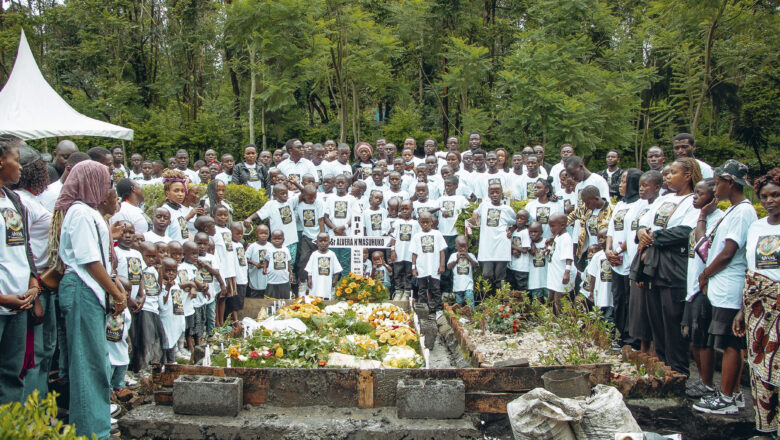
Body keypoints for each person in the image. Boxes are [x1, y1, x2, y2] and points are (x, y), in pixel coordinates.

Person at [57, 160, 125, 438]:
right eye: (106, 181)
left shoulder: (90, 212)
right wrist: (116, 291)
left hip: (91, 290)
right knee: (88, 362)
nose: (109, 187)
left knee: (97, 360)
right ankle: (91, 431)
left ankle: (96, 424)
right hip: (83, 288)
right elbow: (89, 261)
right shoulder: (80, 213)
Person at [693, 160, 756, 415]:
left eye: (718, 182)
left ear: (730, 183)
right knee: (726, 342)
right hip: (721, 287)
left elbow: (729, 252)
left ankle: (728, 397)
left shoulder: (743, 211)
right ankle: (734, 394)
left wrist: (706, 274)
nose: (715, 187)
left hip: (730, 286)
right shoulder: (733, 209)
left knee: (732, 344)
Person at [636, 157, 701, 377]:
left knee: (672, 320)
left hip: (673, 267)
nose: (668, 176)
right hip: (652, 266)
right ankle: (662, 367)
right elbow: (645, 221)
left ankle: (679, 370)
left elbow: (685, 232)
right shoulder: (664, 199)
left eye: (673, 172)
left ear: (688, 176)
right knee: (656, 321)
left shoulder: (694, 201)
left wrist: (653, 236)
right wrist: (641, 232)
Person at [733, 168, 780, 434]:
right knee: (759, 367)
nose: (769, 200)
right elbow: (750, 269)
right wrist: (742, 310)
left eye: (776, 195)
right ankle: (765, 426)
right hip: (756, 309)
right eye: (764, 196)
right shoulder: (756, 227)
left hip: (779, 306)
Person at [11, 144, 55, 398]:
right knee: (34, 353)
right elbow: (23, 248)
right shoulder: (22, 203)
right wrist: (35, 292)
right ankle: (31, 414)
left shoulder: (29, 199)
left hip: (44, 286)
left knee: (45, 350)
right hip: (33, 286)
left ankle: (41, 408)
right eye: (40, 165)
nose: (46, 170)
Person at [0, 136, 39, 406]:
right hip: (3, 302)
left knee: (11, 375)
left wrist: (34, 284)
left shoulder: (13, 199)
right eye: (15, 159)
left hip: (19, 302)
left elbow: (24, 249)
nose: (20, 166)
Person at [682, 178, 723, 399]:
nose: (695, 197)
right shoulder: (700, 218)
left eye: (700, 193)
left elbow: (702, 248)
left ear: (713, 197)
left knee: (702, 338)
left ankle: (708, 383)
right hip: (691, 284)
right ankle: (701, 380)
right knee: (692, 338)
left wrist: (703, 216)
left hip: (703, 286)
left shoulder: (716, 219)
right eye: (695, 193)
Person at [605, 169, 643, 349]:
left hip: (628, 259)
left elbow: (634, 233)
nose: (620, 185)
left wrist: (618, 251)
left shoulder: (641, 205)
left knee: (630, 301)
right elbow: (611, 230)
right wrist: (608, 250)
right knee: (619, 299)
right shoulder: (620, 204)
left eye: (624, 181)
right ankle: (621, 334)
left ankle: (631, 339)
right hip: (615, 261)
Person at [469, 183, 516, 297]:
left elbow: (516, 222)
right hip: (487, 247)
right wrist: (475, 215)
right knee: (487, 275)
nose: (495, 195)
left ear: (501, 193)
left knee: (500, 276)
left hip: (502, 245)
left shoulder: (507, 209)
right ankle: (487, 300)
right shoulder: (484, 206)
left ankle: (500, 301)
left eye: (497, 192)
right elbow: (476, 212)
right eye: (492, 192)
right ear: (488, 194)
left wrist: (511, 230)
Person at [410, 211, 447, 318]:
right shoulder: (417, 236)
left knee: (436, 289)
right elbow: (414, 253)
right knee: (421, 289)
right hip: (422, 267)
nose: (425, 225)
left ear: (432, 222)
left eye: (427, 222)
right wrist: (414, 268)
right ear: (419, 223)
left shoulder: (437, 234)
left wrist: (442, 265)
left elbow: (441, 251)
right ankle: (423, 311)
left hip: (434, 267)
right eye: (423, 222)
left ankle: (438, 310)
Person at [389, 200, 419, 301]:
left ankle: (406, 292)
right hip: (398, 253)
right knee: (397, 273)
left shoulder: (415, 224)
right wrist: (393, 250)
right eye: (402, 209)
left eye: (407, 209)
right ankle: (398, 291)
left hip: (409, 254)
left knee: (408, 273)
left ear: (412, 210)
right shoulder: (397, 222)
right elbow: (393, 238)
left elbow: (417, 239)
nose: (405, 211)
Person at [546, 213, 574, 315]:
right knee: (552, 298)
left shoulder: (566, 238)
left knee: (560, 300)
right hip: (554, 275)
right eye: (550, 226)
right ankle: (554, 321)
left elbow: (568, 258)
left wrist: (567, 272)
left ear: (562, 225)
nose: (550, 229)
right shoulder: (558, 236)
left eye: (553, 226)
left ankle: (562, 323)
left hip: (561, 275)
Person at [305, 232, 343, 299]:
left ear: (329, 242)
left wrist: (335, 279)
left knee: (326, 296)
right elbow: (309, 269)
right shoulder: (314, 254)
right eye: (320, 241)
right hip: (316, 281)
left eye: (325, 241)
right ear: (317, 243)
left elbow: (337, 269)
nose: (323, 243)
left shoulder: (332, 254)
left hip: (327, 281)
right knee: (314, 297)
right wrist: (309, 279)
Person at [447, 236, 478, 306]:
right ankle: (459, 315)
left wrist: (468, 257)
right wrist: (456, 260)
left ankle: (471, 314)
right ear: (456, 247)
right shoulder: (453, 255)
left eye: (465, 247)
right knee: (459, 302)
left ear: (468, 246)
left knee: (469, 300)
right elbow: (449, 267)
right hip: (458, 286)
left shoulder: (471, 255)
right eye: (460, 247)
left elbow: (475, 265)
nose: (463, 249)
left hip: (468, 285)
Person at [264, 230, 293, 299]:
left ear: (283, 240)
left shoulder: (286, 249)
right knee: (271, 298)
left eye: (279, 239)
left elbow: (288, 262)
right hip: (272, 279)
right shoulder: (269, 249)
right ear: (271, 239)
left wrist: (290, 273)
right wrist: (265, 268)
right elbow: (266, 260)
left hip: (284, 278)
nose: (277, 240)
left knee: (285, 298)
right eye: (274, 238)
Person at [508, 210, 531, 292]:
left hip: (522, 268)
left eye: (522, 218)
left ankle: (524, 304)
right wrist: (513, 250)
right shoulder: (514, 231)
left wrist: (511, 246)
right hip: (512, 266)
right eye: (517, 218)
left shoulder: (525, 232)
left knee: (522, 289)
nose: (519, 220)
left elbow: (525, 250)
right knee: (513, 289)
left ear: (527, 221)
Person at [246, 225, 271, 298]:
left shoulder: (271, 246)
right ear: (257, 234)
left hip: (267, 278)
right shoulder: (252, 246)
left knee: (267, 297)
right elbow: (245, 258)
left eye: (266, 233)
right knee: (256, 297)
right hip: (255, 277)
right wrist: (254, 263)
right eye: (261, 233)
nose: (264, 235)